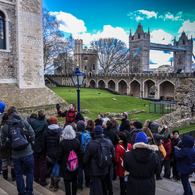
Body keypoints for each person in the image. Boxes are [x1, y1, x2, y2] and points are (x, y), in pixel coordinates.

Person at [1, 106, 35, 195]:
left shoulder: (5, 127)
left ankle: (21, 192)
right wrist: (30, 144)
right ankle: (29, 192)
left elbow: (3, 141)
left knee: (19, 174)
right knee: (30, 172)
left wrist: (10, 148)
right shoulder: (24, 123)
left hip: (15, 154)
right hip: (27, 152)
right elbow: (32, 134)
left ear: (8, 115)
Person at [83, 125, 115, 195]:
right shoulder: (109, 142)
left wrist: (89, 167)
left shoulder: (91, 144)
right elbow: (113, 156)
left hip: (94, 170)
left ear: (94, 132)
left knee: (96, 188)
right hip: (105, 168)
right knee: (103, 186)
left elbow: (85, 159)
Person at [57, 125, 83, 195]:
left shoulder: (63, 143)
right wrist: (78, 161)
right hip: (74, 163)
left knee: (67, 181)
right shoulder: (76, 141)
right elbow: (80, 152)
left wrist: (59, 162)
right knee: (74, 180)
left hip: (65, 164)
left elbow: (60, 154)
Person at [42, 117, 61, 191]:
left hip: (50, 152)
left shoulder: (46, 131)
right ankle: (55, 184)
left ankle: (52, 183)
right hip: (58, 152)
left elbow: (43, 143)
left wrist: (45, 151)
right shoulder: (59, 131)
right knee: (57, 166)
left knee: (55, 166)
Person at [31, 109, 48, 186]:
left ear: (38, 115)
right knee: (42, 163)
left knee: (36, 162)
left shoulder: (33, 123)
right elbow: (45, 136)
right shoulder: (45, 123)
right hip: (41, 146)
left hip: (35, 145)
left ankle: (36, 178)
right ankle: (42, 181)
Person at [76, 121, 91, 190]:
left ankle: (79, 186)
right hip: (87, 154)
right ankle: (88, 183)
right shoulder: (87, 133)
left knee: (80, 170)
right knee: (86, 169)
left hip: (80, 154)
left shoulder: (77, 135)